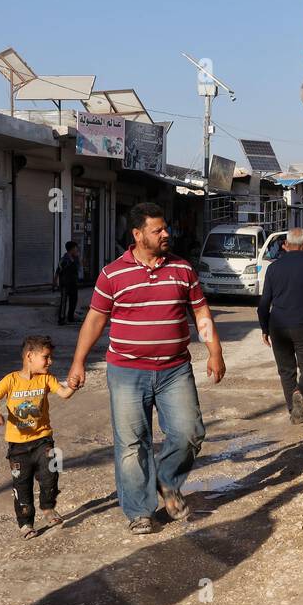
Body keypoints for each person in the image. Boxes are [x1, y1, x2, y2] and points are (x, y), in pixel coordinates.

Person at [66, 202, 226, 536]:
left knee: (189, 432)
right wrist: (79, 362)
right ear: (138, 235)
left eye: (165, 228)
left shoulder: (182, 269)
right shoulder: (112, 274)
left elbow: (201, 314)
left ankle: (167, 481)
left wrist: (215, 351)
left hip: (175, 370)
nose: (166, 234)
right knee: (131, 444)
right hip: (125, 372)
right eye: (158, 230)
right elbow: (95, 320)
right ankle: (139, 512)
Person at [0, 334, 77, 539]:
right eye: (46, 357)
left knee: (52, 473)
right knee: (22, 487)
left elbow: (64, 393)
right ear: (29, 356)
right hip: (18, 447)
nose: (50, 361)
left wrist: (74, 384)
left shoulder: (46, 378)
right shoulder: (10, 380)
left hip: (43, 439)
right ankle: (26, 524)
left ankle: (48, 507)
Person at [258, 228, 303, 424]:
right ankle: (300, 390)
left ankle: (294, 412)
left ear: (286, 245)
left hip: (278, 326)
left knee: (286, 370)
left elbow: (264, 302)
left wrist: (264, 328)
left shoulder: (273, 268)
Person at [54, 241, 81, 325]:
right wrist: (55, 281)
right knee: (64, 301)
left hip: (73, 283)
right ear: (71, 249)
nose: (77, 249)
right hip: (65, 283)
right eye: (75, 248)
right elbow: (58, 270)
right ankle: (61, 319)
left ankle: (70, 317)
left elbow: (79, 268)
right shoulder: (65, 259)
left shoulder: (75, 258)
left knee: (74, 300)